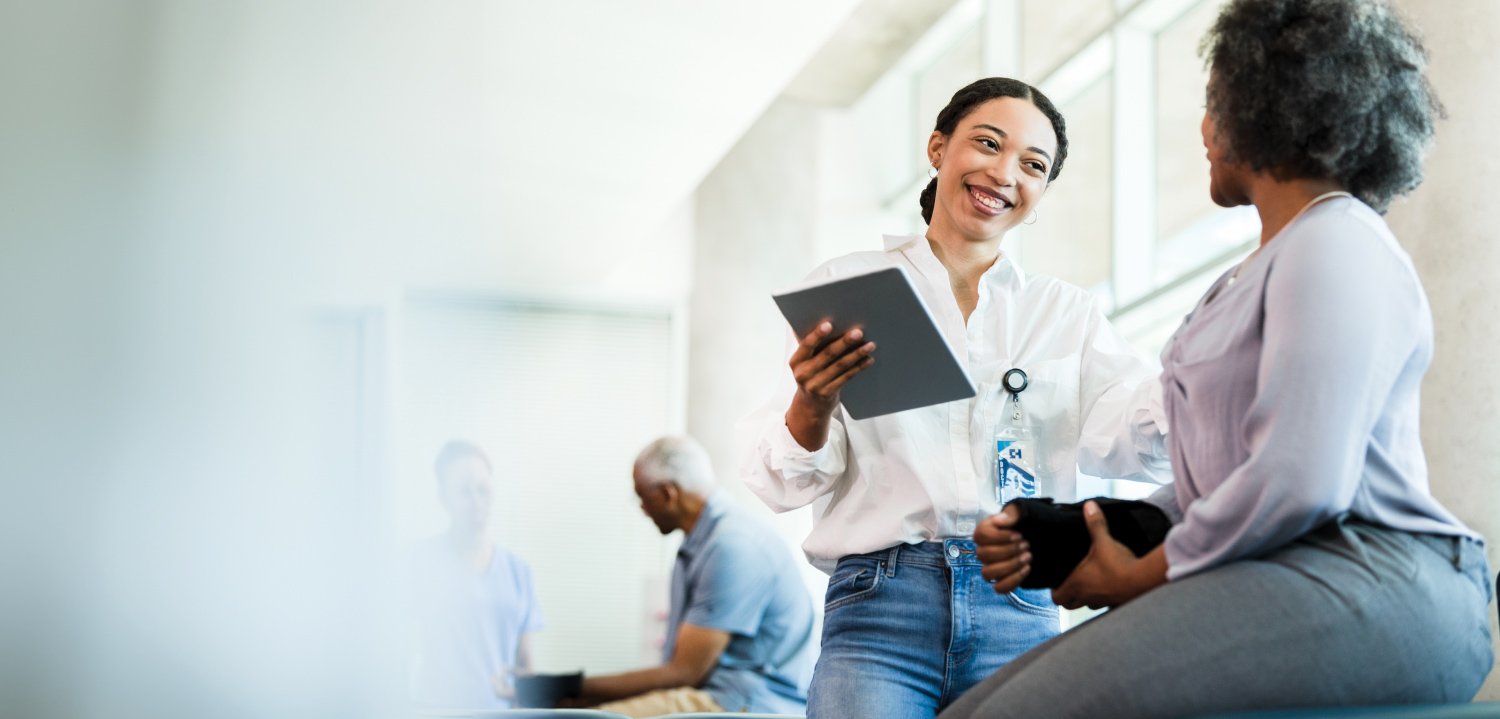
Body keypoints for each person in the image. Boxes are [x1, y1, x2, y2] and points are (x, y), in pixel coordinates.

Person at [944, 2, 1494, 717]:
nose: (1204, 130)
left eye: (1212, 103)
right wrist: (1087, 527)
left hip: (1375, 574)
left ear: (1263, 107)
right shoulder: (1246, 278)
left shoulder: (1336, 240)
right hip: (1275, 571)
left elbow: (1295, 477)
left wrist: (1138, 576)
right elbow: (1222, 481)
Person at [742, 77, 1172, 719]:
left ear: (1042, 193)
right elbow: (783, 484)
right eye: (987, 144)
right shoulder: (851, 289)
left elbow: (1139, 442)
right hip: (880, 606)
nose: (1005, 173)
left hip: (1019, 599)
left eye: (1033, 165)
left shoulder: (1065, 315)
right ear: (938, 148)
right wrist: (813, 400)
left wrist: (1214, 371)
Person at [569, 435, 816, 717]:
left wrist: (570, 686)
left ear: (667, 493)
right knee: (570, 709)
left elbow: (685, 673)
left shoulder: (733, 546)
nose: (642, 509)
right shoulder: (702, 542)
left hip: (744, 703)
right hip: (714, 694)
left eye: (642, 497)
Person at [405, 440, 544, 711]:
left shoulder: (518, 571)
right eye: (464, 492)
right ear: (444, 498)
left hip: (500, 713)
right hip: (437, 711)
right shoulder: (418, 562)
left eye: (483, 490)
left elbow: (525, 663)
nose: (476, 502)